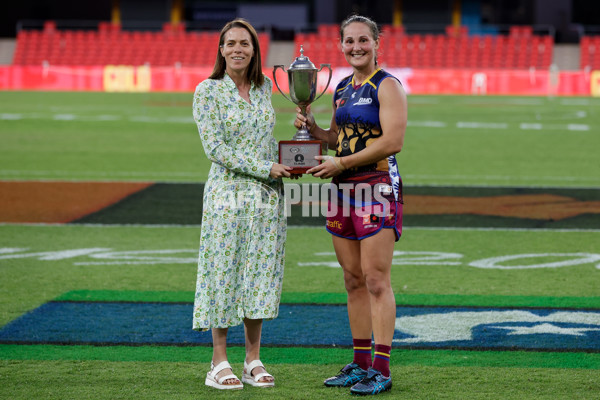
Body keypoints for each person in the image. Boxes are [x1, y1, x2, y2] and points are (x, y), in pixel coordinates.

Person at [294, 14, 407, 396]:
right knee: (352, 279)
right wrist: (312, 131)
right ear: (340, 46)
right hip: (342, 190)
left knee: (376, 279)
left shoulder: (387, 85)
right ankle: (360, 363)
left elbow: (392, 141)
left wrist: (341, 162)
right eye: (349, 41)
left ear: (376, 44)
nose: (356, 47)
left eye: (363, 40)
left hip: (375, 187)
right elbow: (338, 140)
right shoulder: (342, 88)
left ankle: (381, 367)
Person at [192, 18, 293, 390]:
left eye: (245, 44)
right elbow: (215, 148)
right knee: (223, 272)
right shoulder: (207, 91)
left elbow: (264, 140)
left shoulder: (264, 87)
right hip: (226, 196)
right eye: (231, 43)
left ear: (254, 50)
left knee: (259, 275)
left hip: (266, 198)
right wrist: (267, 167)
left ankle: (253, 358)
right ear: (221, 50)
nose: (238, 49)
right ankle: (219, 361)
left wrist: (292, 161)